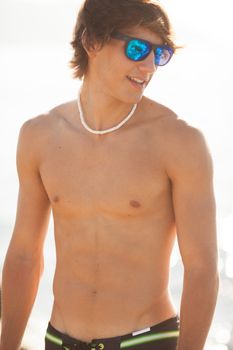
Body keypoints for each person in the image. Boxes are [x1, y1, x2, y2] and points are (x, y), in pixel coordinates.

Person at [0, 0, 219, 349]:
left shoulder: (179, 142)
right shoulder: (39, 136)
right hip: (59, 340)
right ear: (92, 42)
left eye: (159, 54)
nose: (148, 66)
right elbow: (25, 255)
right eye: (137, 49)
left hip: (147, 341)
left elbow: (202, 269)